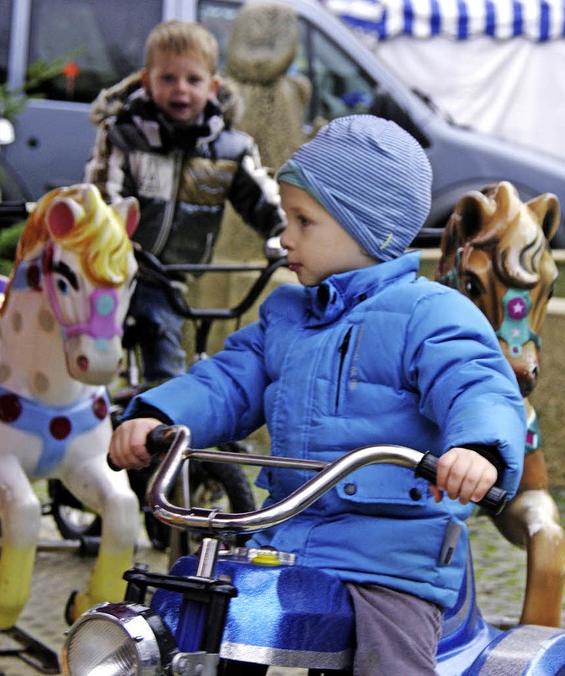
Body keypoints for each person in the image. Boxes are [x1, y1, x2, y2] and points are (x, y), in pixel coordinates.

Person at [109, 115, 526, 674]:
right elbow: (229, 379)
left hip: (389, 556)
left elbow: (477, 382)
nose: (285, 237)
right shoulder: (287, 315)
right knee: (203, 619)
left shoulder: (431, 313)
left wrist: (478, 451)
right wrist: (160, 413)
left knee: (391, 658)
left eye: (304, 221)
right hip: (287, 537)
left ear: (367, 228)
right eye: (286, 218)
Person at [84, 19, 285, 385]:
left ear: (213, 87)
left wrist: (284, 232)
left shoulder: (230, 149)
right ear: (146, 82)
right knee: (151, 342)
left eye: (193, 80)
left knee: (187, 332)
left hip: (176, 271)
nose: (181, 90)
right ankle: (152, 411)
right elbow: (104, 196)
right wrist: (118, 239)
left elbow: (263, 198)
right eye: (168, 79)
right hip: (119, 265)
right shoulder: (126, 135)